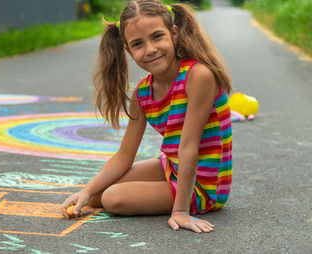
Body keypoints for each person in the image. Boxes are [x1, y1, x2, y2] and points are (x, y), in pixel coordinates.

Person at [61, 0, 232, 233]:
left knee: (112, 198)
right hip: (171, 166)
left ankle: (181, 200)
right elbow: (124, 156)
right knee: (96, 196)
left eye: (157, 36)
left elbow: (188, 146)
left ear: (174, 34)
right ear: (128, 50)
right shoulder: (142, 93)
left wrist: (180, 211)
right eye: (138, 44)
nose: (150, 49)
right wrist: (86, 191)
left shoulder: (198, 76)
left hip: (204, 184)